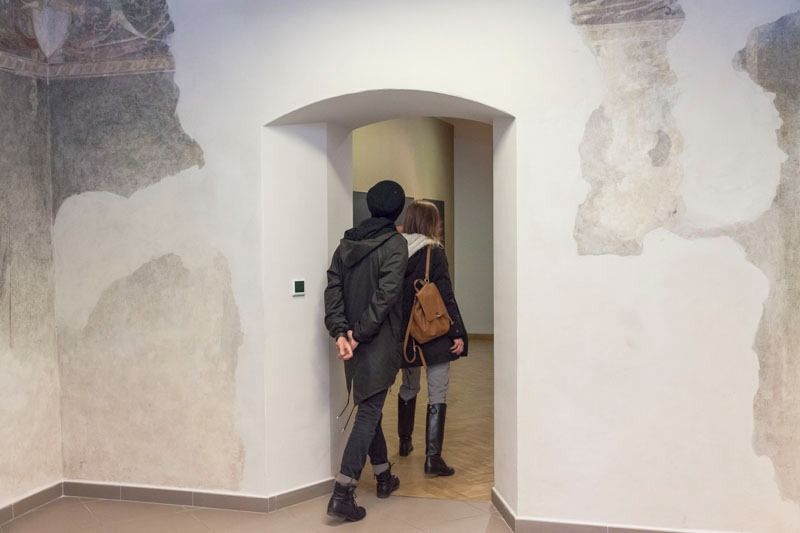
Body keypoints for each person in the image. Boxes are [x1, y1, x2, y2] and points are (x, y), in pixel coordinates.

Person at [324, 180, 409, 522]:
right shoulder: (396, 244)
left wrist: (340, 332)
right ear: (398, 211)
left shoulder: (347, 242)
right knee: (369, 412)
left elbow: (333, 288)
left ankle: (384, 474)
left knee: (369, 406)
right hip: (377, 342)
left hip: (352, 341)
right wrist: (356, 335)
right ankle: (343, 492)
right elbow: (386, 297)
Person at [397, 200, 468, 477]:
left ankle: (404, 442)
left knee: (409, 385)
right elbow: (445, 294)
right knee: (437, 390)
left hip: (405, 333)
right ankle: (432, 458)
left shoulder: (396, 249)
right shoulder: (433, 251)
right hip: (432, 331)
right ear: (430, 223)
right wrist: (458, 332)